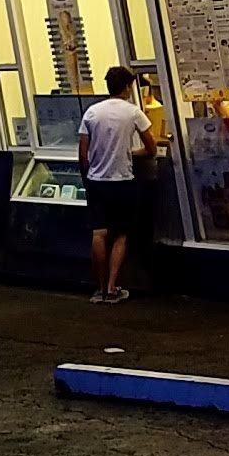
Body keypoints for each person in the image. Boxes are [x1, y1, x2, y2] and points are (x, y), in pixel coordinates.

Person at [78, 65, 157, 305]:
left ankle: (100, 288)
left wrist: (87, 176)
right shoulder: (134, 113)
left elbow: (83, 154)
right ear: (126, 87)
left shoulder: (92, 113)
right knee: (121, 234)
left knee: (99, 233)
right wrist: (131, 153)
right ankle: (113, 286)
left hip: (96, 181)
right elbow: (151, 148)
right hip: (123, 180)